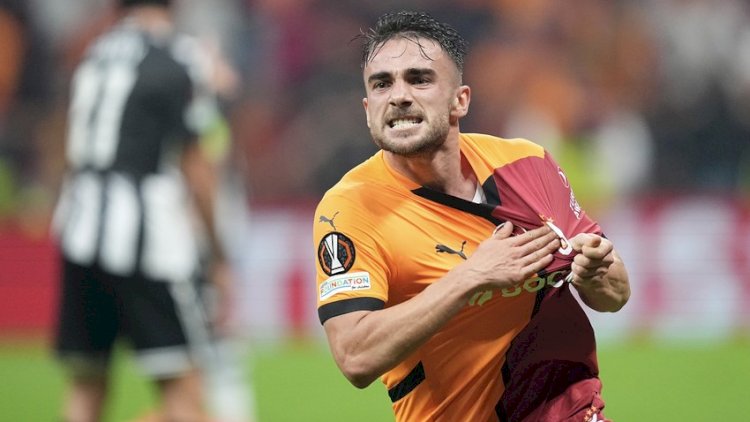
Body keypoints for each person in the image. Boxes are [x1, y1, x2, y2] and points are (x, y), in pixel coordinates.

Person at [312, 10, 631, 422]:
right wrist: (471, 277)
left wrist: (596, 273)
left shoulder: (527, 163)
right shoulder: (350, 209)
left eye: (419, 79)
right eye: (382, 84)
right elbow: (355, 357)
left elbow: (615, 295)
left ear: (460, 100)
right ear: (367, 107)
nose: (398, 96)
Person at [51, 0, 241, 421]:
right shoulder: (178, 57)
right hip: (147, 238)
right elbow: (197, 166)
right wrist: (217, 253)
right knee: (183, 389)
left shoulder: (94, 54)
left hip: (78, 227)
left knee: (86, 385)